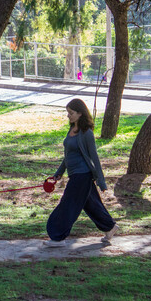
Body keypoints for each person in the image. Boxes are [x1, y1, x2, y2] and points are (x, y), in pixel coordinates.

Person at [44, 98, 119, 247]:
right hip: (74, 174)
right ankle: (110, 227)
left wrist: (101, 181)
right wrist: (59, 173)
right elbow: (68, 156)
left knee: (68, 203)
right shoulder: (71, 130)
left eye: (71, 113)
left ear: (80, 113)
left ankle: (57, 237)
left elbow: (94, 158)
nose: (68, 116)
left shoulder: (86, 133)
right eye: (68, 113)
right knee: (91, 204)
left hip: (82, 175)